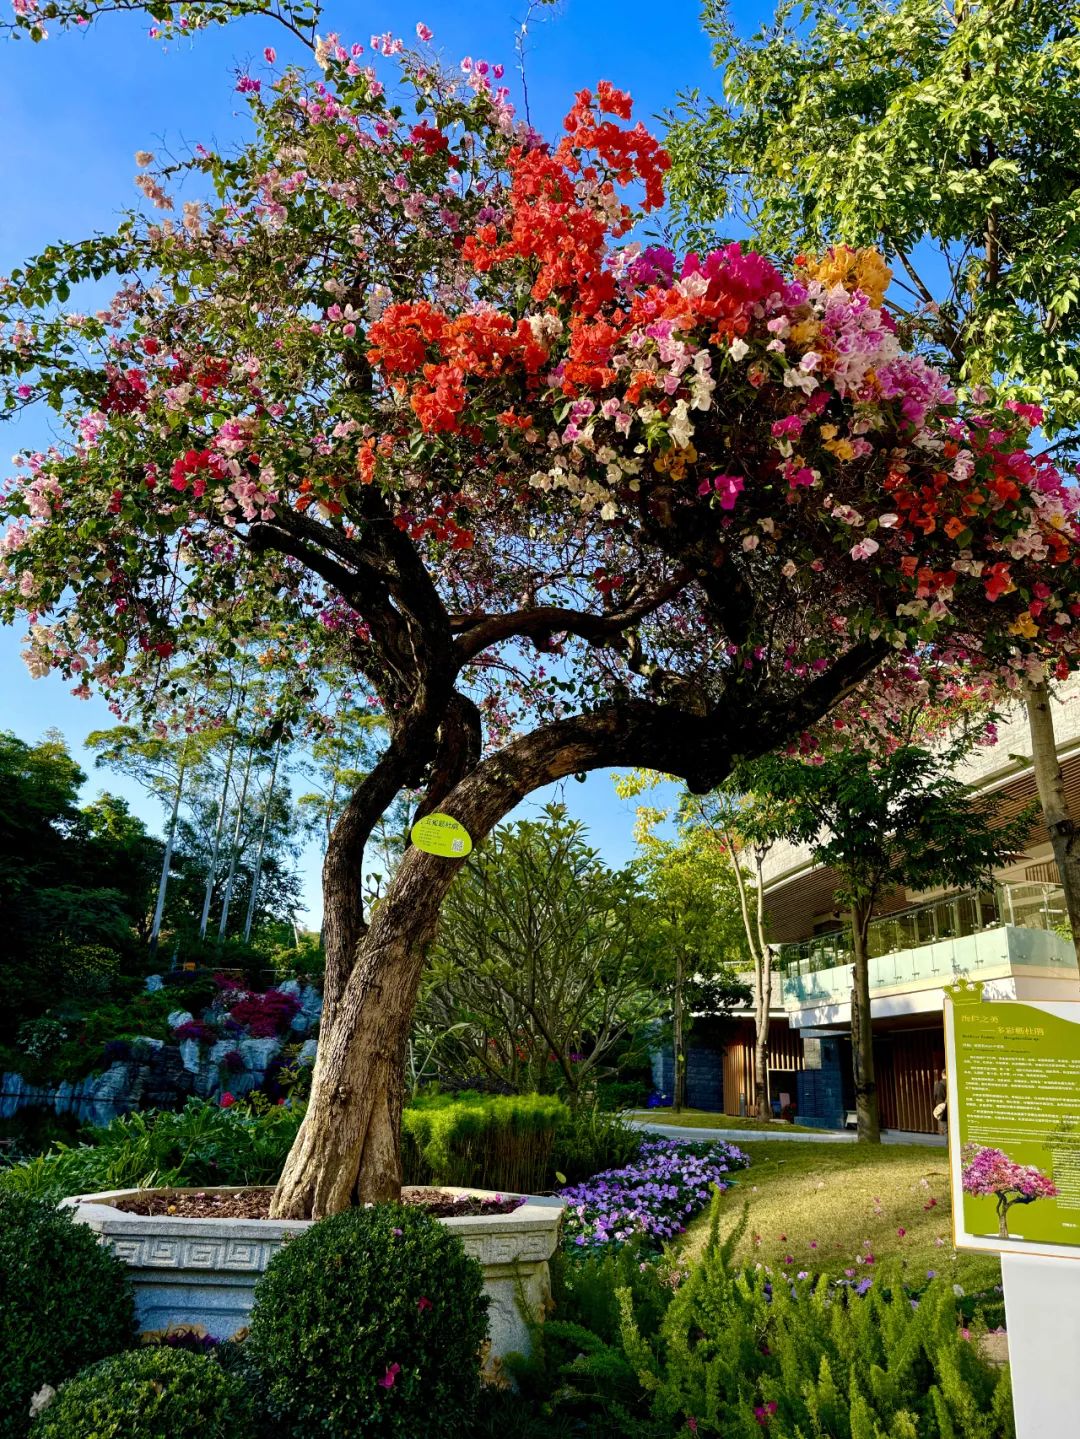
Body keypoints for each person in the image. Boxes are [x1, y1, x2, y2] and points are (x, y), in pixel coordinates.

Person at [932, 1070, 948, 1136]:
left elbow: (937, 1098)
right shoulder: (953, 1083)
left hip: (944, 1111)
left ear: (942, 1074)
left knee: (947, 1132)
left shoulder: (939, 1085)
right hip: (953, 1110)